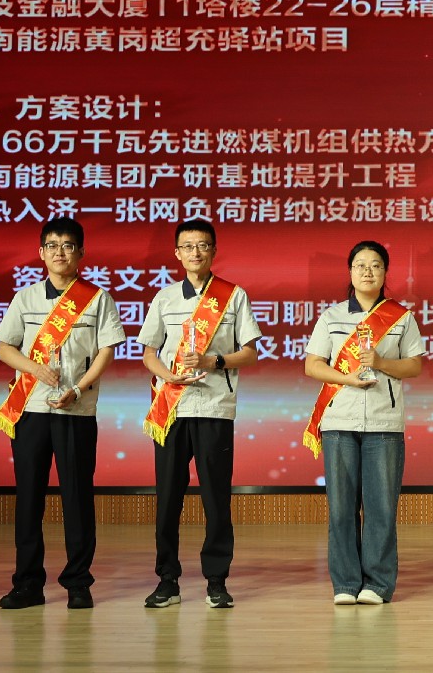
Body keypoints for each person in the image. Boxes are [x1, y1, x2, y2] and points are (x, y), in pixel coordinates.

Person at [0, 215, 126, 610]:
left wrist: (79, 387)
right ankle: (28, 584)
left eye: (68, 246)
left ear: (81, 252)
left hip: (77, 409)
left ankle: (78, 583)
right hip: (31, 409)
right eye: (52, 245)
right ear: (41, 252)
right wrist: (35, 370)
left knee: (77, 497)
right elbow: (6, 348)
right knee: (29, 498)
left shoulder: (97, 299)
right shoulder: (25, 298)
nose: (60, 253)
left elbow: (106, 351)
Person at [138, 217, 262, 609]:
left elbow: (250, 353)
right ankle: (167, 580)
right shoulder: (165, 298)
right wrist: (168, 375)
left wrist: (214, 361)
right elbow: (149, 353)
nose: (196, 252)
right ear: (177, 253)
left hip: (214, 408)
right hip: (172, 409)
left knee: (216, 498)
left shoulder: (233, 296)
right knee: (167, 499)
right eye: (188, 246)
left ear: (213, 251)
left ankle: (217, 580)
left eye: (203, 245)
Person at [302, 240, 425, 605]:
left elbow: (414, 366)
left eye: (375, 265)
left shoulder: (401, 317)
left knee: (381, 508)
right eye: (360, 265)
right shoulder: (332, 316)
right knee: (341, 508)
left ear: (385, 273)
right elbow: (313, 365)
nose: (368, 271)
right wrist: (347, 379)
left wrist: (381, 363)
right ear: (350, 272)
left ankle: (378, 584)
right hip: (339, 421)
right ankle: (345, 584)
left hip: (384, 424)